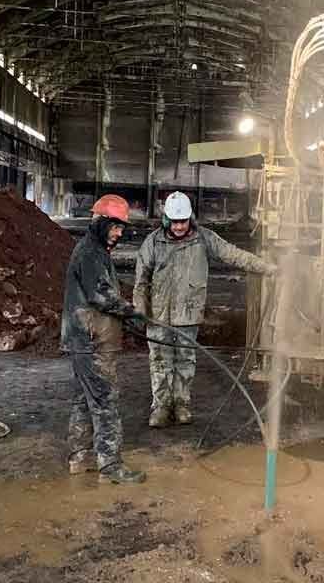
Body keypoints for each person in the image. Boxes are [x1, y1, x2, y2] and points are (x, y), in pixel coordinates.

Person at [134, 191, 276, 428]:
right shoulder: (152, 242)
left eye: (183, 221)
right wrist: (140, 311)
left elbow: (232, 254)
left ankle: (181, 404)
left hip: (188, 314)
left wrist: (266, 267)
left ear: (190, 218)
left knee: (185, 360)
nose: (179, 226)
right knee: (159, 361)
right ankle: (161, 406)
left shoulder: (203, 239)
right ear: (167, 220)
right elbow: (140, 281)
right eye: (175, 221)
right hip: (158, 316)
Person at [61, 194, 146, 484]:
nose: (119, 233)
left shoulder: (94, 251)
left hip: (85, 340)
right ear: (101, 223)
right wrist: (131, 312)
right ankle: (111, 467)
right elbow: (101, 296)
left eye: (121, 228)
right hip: (91, 341)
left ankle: (79, 458)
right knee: (105, 402)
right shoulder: (89, 254)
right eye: (116, 227)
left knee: (84, 402)